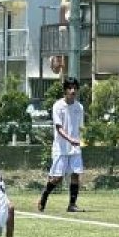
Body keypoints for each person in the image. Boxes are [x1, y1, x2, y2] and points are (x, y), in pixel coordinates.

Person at [37, 77, 85, 213]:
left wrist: (84, 139)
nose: (73, 90)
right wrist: (70, 139)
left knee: (76, 174)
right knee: (57, 178)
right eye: (70, 88)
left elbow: (81, 127)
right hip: (61, 148)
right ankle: (44, 195)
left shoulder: (79, 107)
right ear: (65, 90)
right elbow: (59, 128)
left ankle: (72, 205)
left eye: (75, 88)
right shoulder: (58, 106)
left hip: (75, 148)